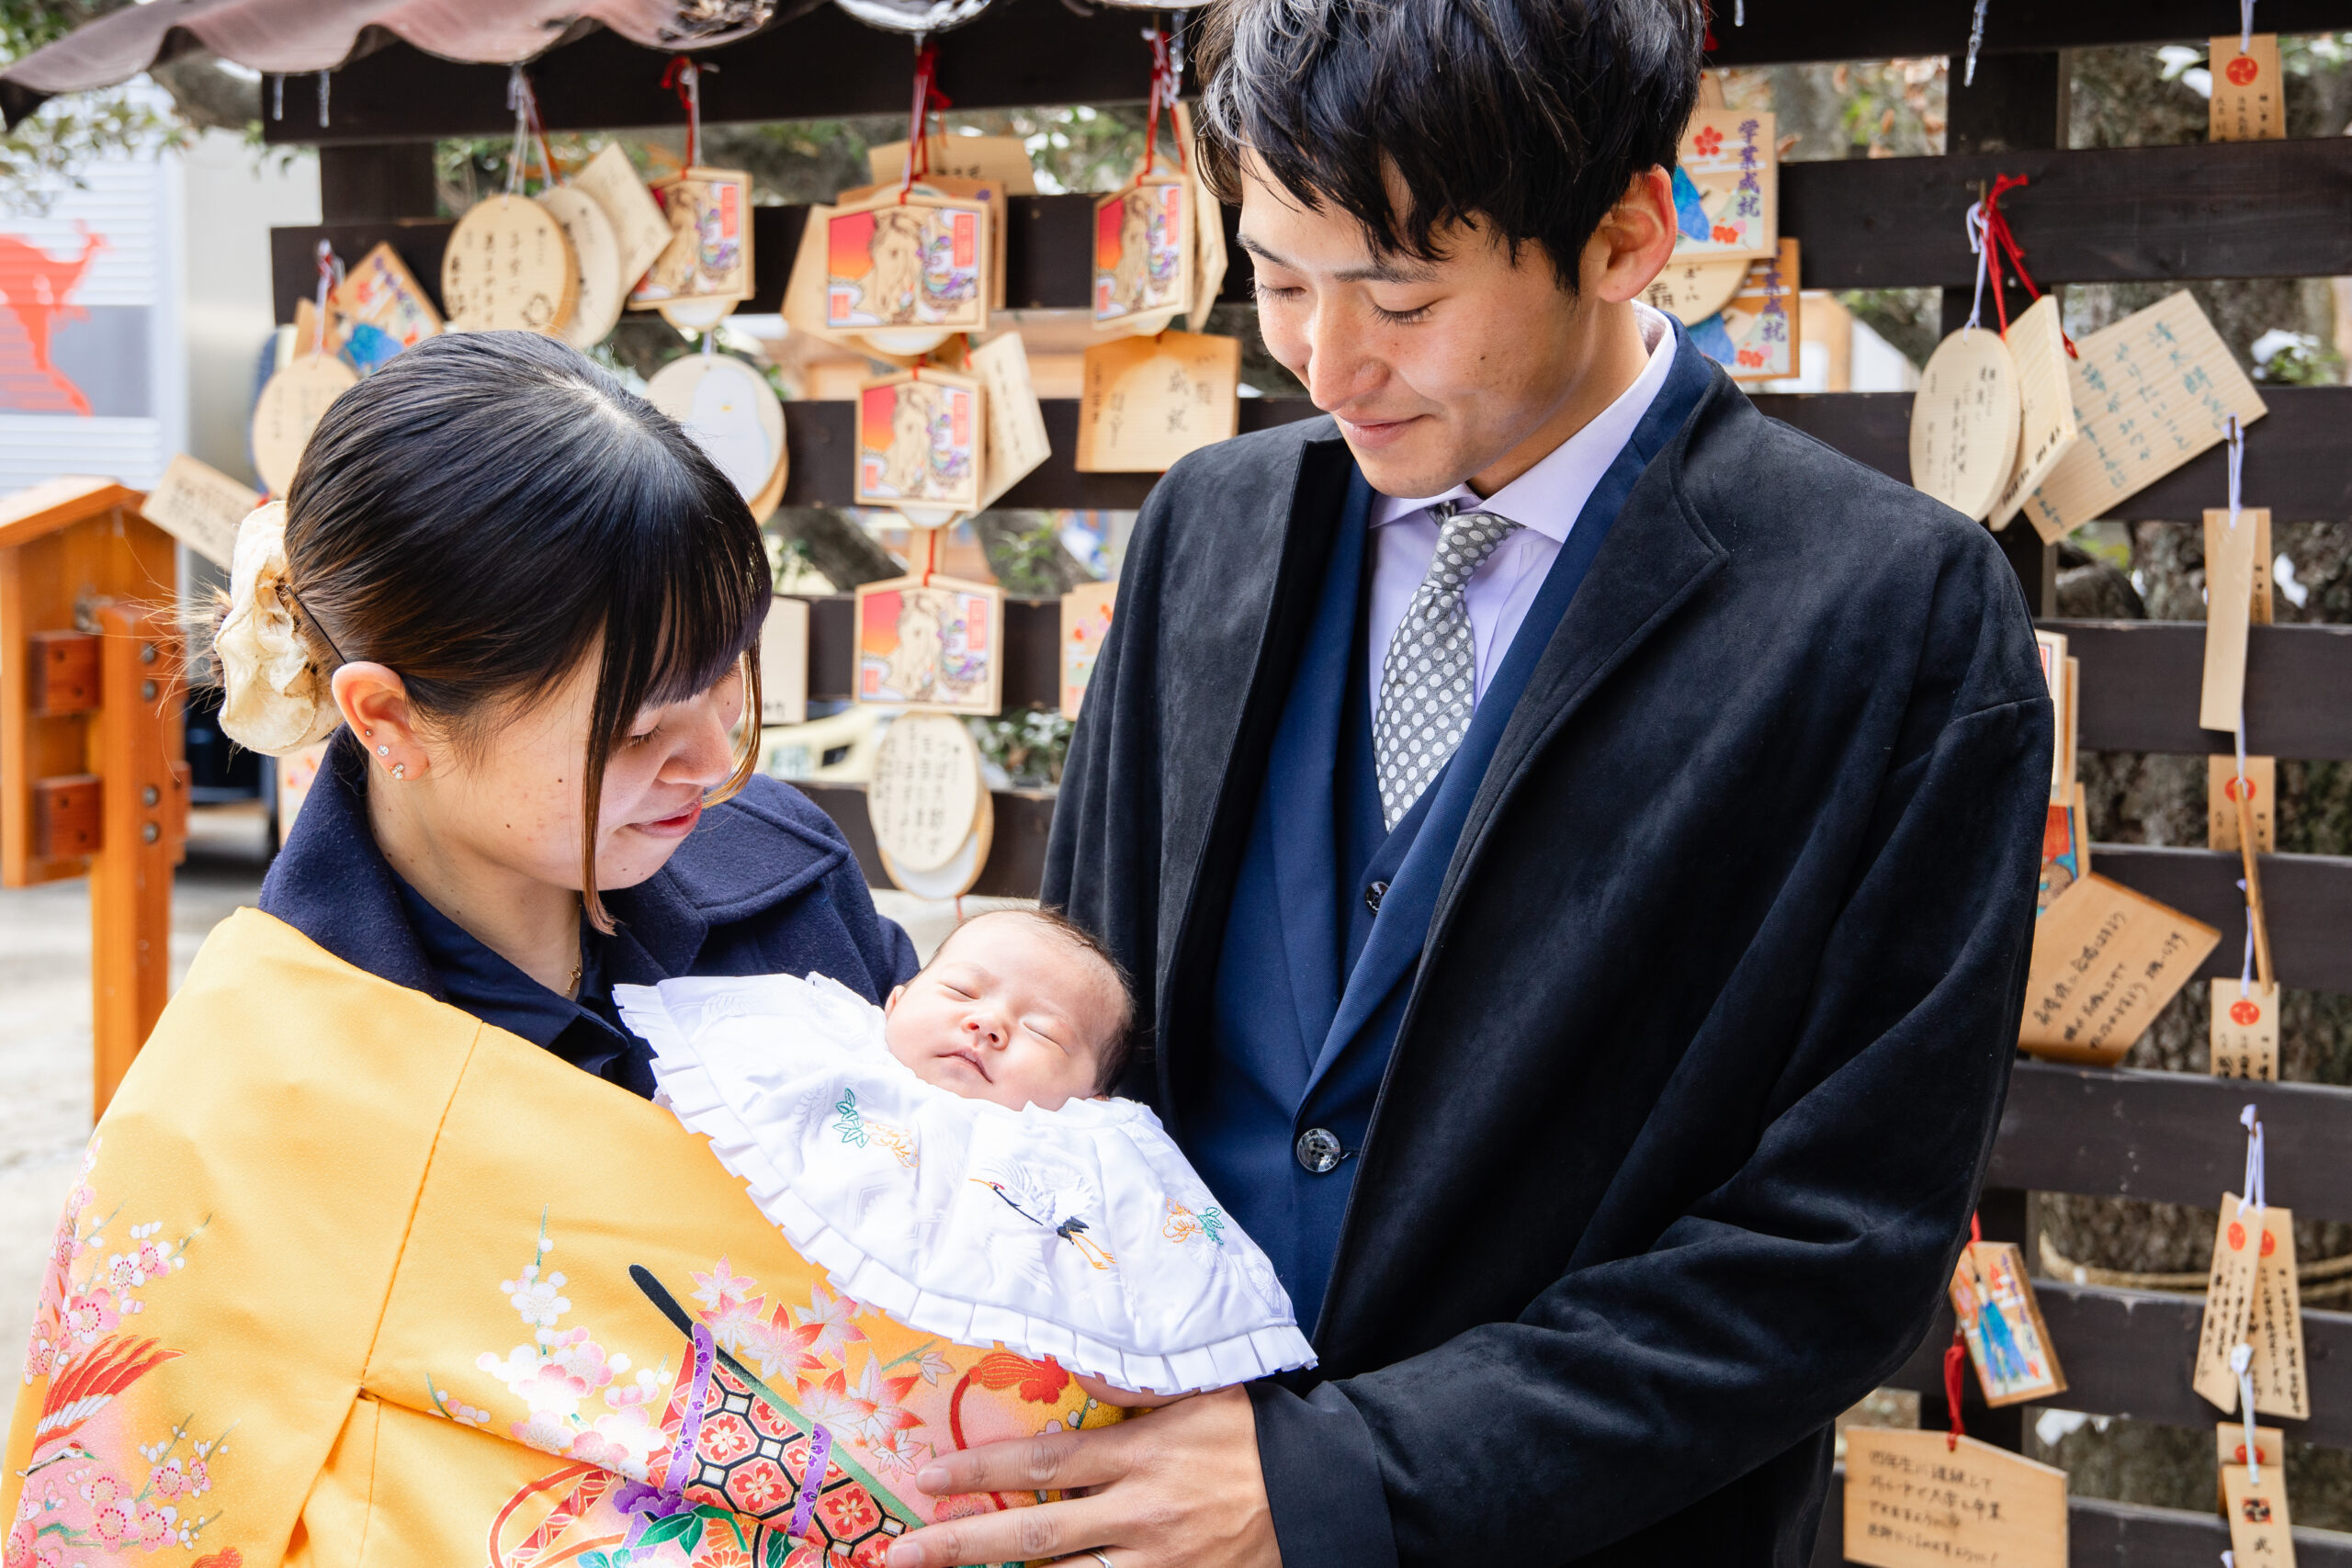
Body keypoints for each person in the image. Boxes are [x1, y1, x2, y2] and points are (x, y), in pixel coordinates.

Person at [888, 1, 2052, 1565]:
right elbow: (1091, 1008)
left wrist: (1342, 1479)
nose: (1326, 357)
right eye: (1280, 279)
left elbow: (1837, 1244)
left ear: (1629, 231)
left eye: (1401, 292)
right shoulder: (1209, 529)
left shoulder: (1891, 610)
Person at [0, 334, 1107, 1560]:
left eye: (729, 676)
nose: (715, 758)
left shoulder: (781, 875)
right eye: (641, 728)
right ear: (387, 714)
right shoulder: (241, 1105)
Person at [615, 908, 1317, 1408]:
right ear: (893, 1000)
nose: (989, 1023)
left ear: (1092, 1097)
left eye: (1043, 1029)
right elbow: (694, 1146)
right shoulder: (825, 1056)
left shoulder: (1089, 1158)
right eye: (959, 991)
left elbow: (1147, 1309)